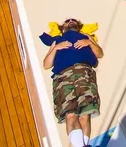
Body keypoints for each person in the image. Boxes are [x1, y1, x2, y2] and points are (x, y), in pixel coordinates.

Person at [43, 18, 103, 147]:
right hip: (63, 77)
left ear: (78, 26)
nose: (70, 21)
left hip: (84, 73)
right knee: (70, 115)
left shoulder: (85, 36)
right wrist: (55, 48)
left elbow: (100, 54)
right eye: (67, 21)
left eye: (73, 20)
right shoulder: (57, 40)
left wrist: (89, 43)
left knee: (85, 115)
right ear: (62, 27)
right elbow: (46, 65)